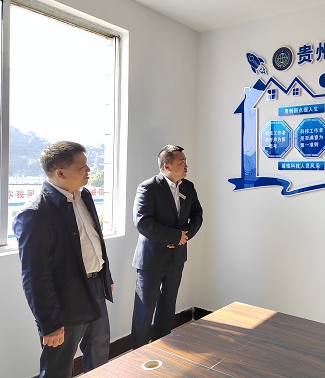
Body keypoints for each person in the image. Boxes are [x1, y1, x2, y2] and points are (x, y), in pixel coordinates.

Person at [13, 141, 114, 378]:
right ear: (60, 173)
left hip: (96, 288)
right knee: (58, 367)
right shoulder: (35, 213)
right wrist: (49, 323)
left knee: (99, 354)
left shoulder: (84, 195)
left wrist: (105, 277)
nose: (89, 170)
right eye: (82, 166)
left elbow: (94, 241)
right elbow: (34, 276)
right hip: (65, 300)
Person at [131, 144, 203, 349]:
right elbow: (142, 222)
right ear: (167, 166)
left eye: (186, 161)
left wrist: (184, 237)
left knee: (167, 307)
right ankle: (138, 353)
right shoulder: (148, 187)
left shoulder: (188, 187)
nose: (186, 165)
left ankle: (163, 348)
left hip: (176, 258)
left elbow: (197, 215)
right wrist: (174, 237)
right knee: (144, 310)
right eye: (182, 162)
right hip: (151, 260)